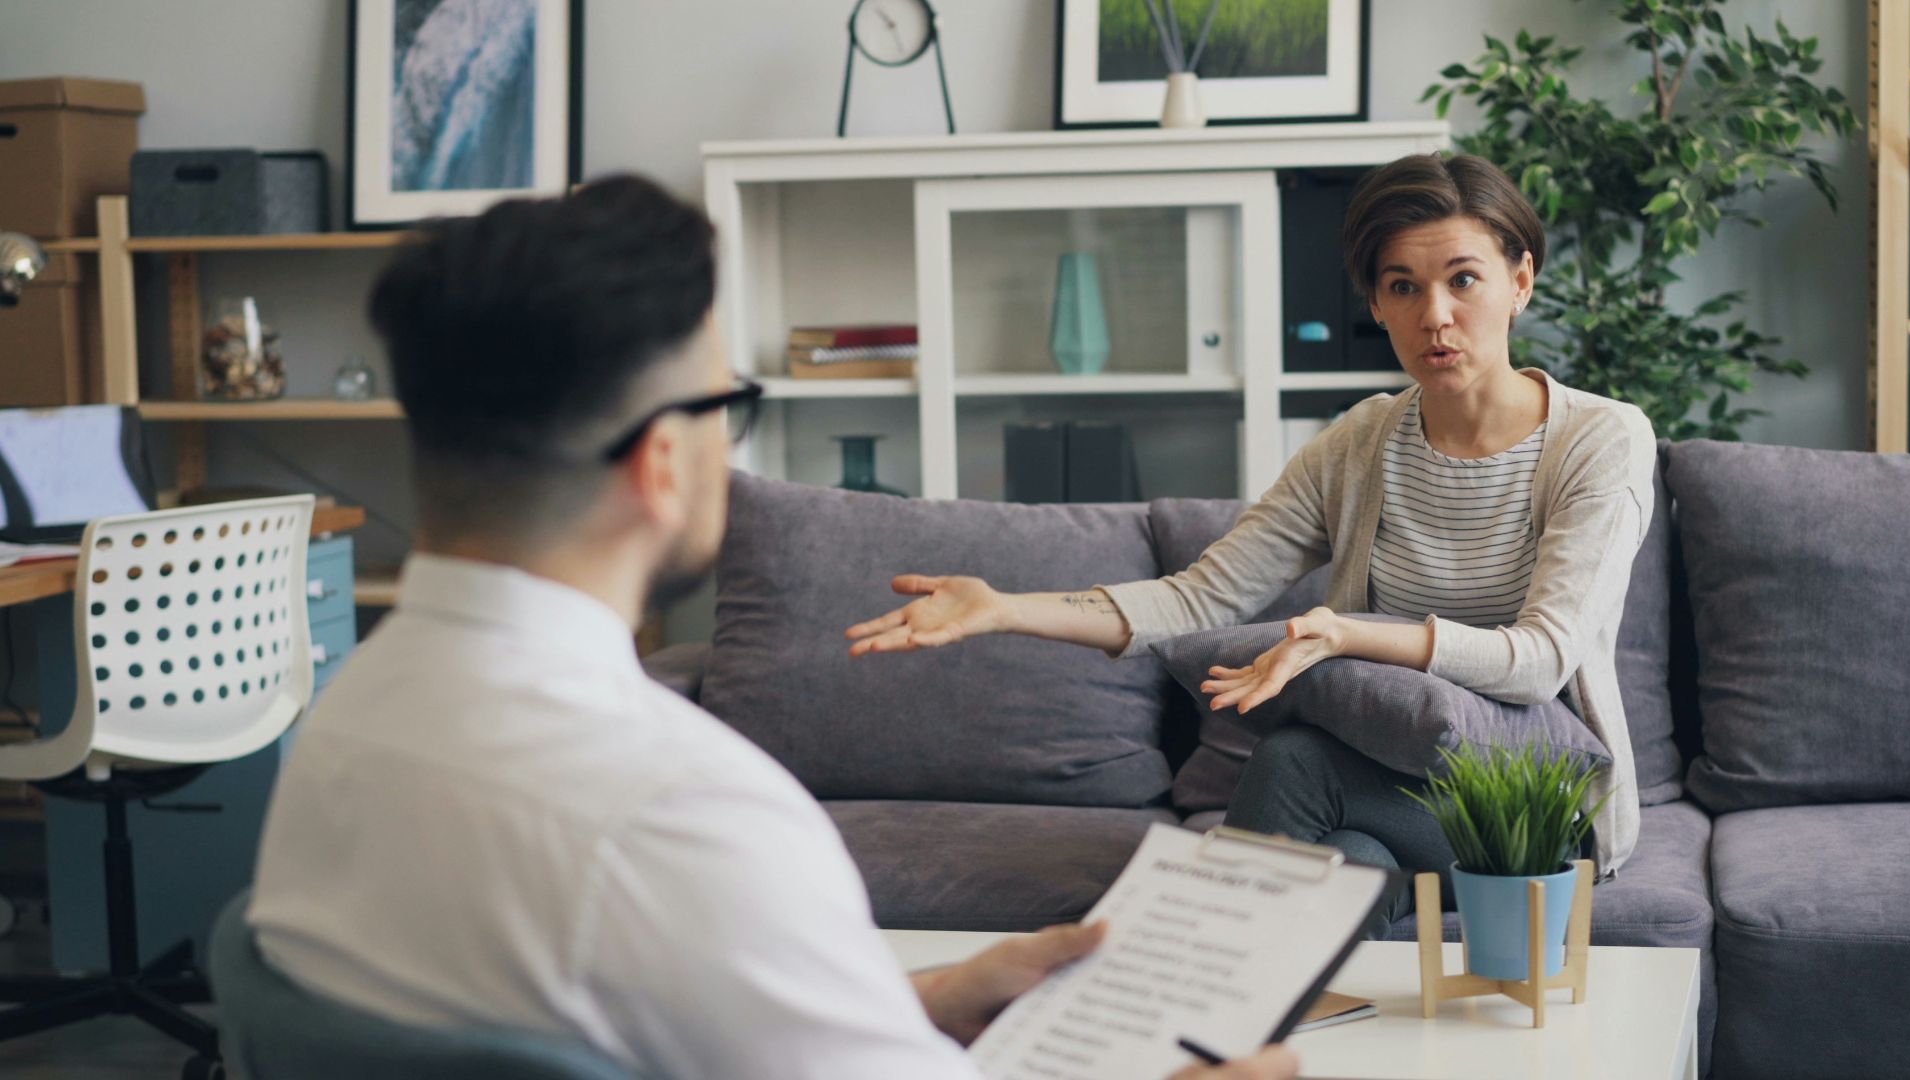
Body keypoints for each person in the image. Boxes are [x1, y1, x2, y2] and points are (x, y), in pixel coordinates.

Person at [246, 175, 1297, 1079]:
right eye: (727, 405)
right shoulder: (687, 812)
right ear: (662, 462)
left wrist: (918, 1000)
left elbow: (599, 1018)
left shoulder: (343, 721)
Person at [846, 152, 1655, 927]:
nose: (1434, 316)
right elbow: (1200, 597)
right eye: (1402, 286)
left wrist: (1347, 633)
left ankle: (1182, 986)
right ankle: (1281, 1007)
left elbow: (1541, 658)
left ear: (1520, 281)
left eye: (1463, 280)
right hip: (1393, 786)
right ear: (1376, 305)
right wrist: (1003, 609)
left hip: (1537, 806)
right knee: (1347, 868)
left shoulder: (1600, 440)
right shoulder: (1361, 443)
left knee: (1296, 763)